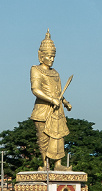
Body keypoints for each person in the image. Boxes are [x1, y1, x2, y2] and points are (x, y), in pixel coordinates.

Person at [30, 29, 72, 171]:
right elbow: (35, 90)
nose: (51, 59)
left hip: (57, 110)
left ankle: (58, 164)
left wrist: (65, 102)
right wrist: (51, 100)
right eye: (48, 56)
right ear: (41, 56)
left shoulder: (55, 73)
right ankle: (45, 164)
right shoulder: (35, 69)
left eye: (53, 56)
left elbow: (58, 93)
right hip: (42, 110)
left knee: (59, 136)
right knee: (44, 139)